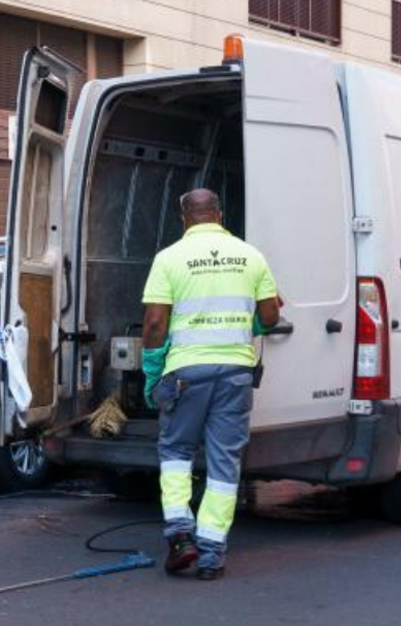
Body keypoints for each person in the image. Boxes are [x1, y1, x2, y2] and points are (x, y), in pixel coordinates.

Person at [140, 189, 280, 581]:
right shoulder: (251, 255)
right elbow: (270, 313)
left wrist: (153, 373)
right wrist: (246, 324)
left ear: (184, 219)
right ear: (219, 214)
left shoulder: (168, 259)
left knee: (176, 452)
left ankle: (180, 537)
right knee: (224, 461)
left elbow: (154, 324)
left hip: (186, 372)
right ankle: (212, 554)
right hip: (235, 371)